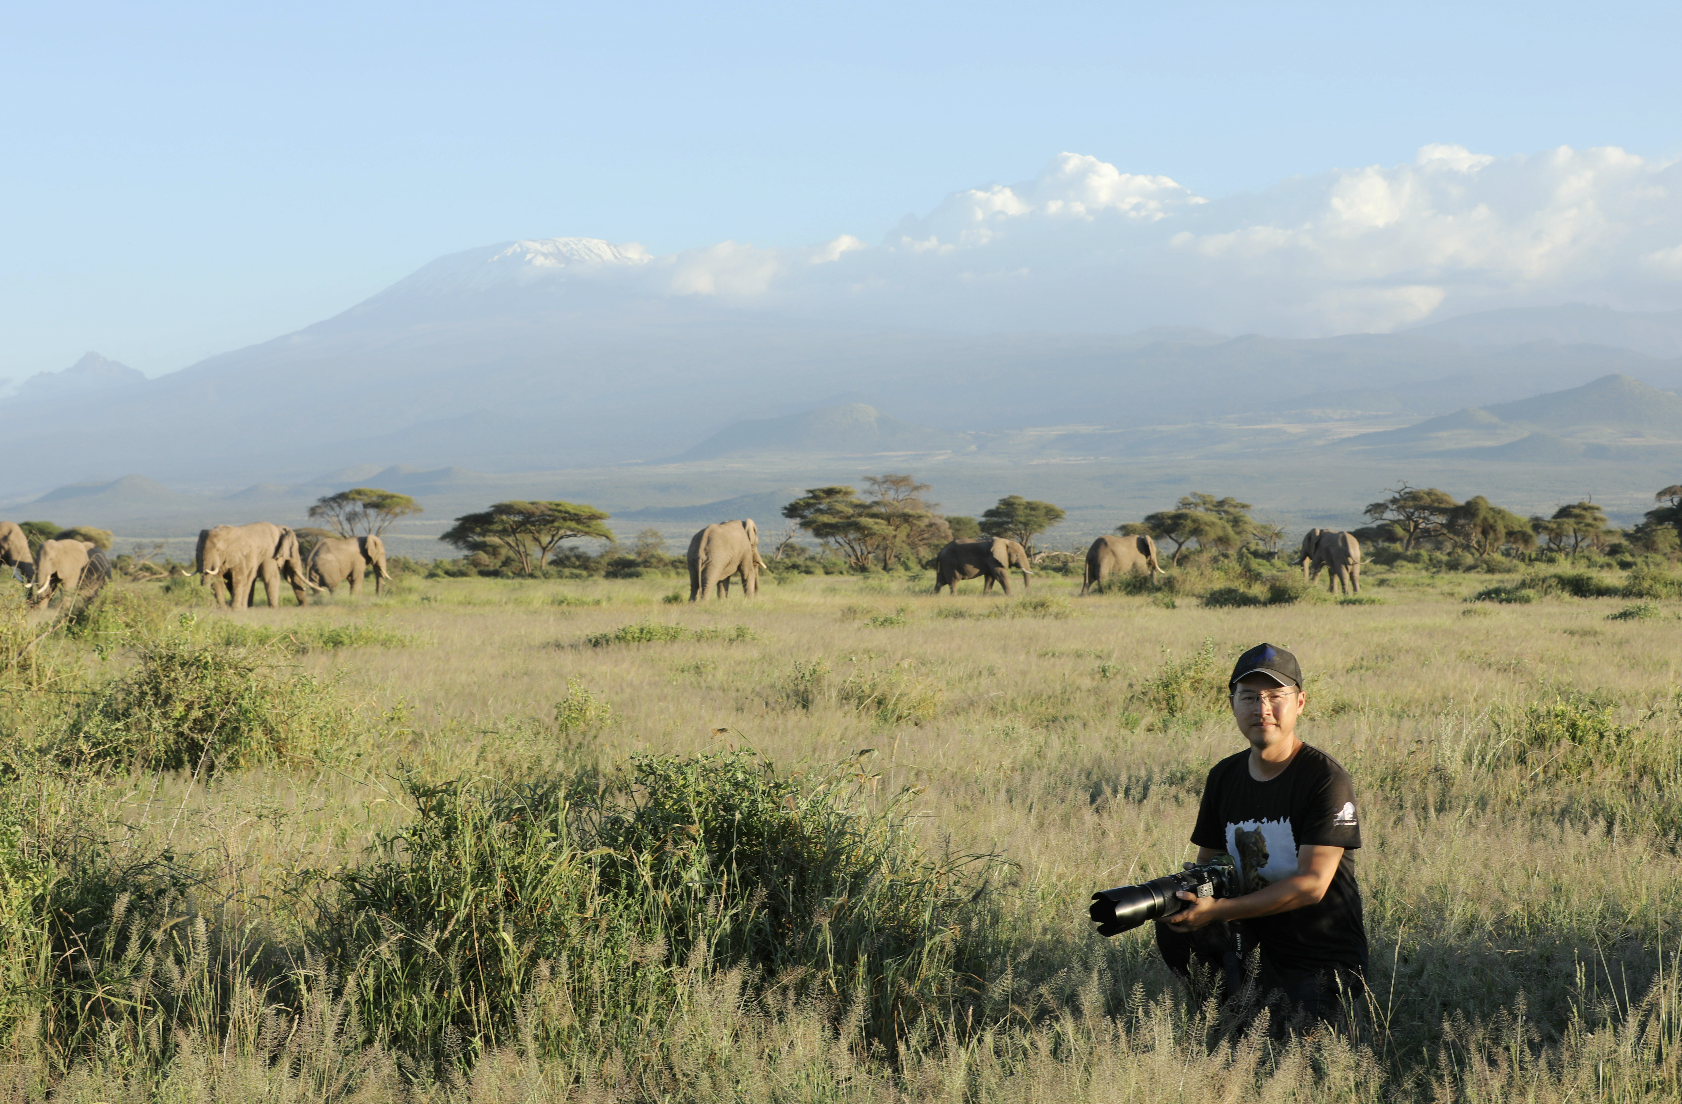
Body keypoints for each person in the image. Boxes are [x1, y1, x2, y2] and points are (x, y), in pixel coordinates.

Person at [1155, 642, 1368, 1034]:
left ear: (1300, 702)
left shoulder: (1325, 780)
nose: (1262, 708)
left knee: (1291, 1044)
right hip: (1250, 938)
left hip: (1318, 950)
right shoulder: (1224, 776)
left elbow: (1311, 886)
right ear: (1232, 703)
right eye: (1249, 697)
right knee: (1173, 912)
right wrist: (1183, 898)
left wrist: (1219, 911)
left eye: (1275, 696)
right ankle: (1216, 1005)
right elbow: (1209, 864)